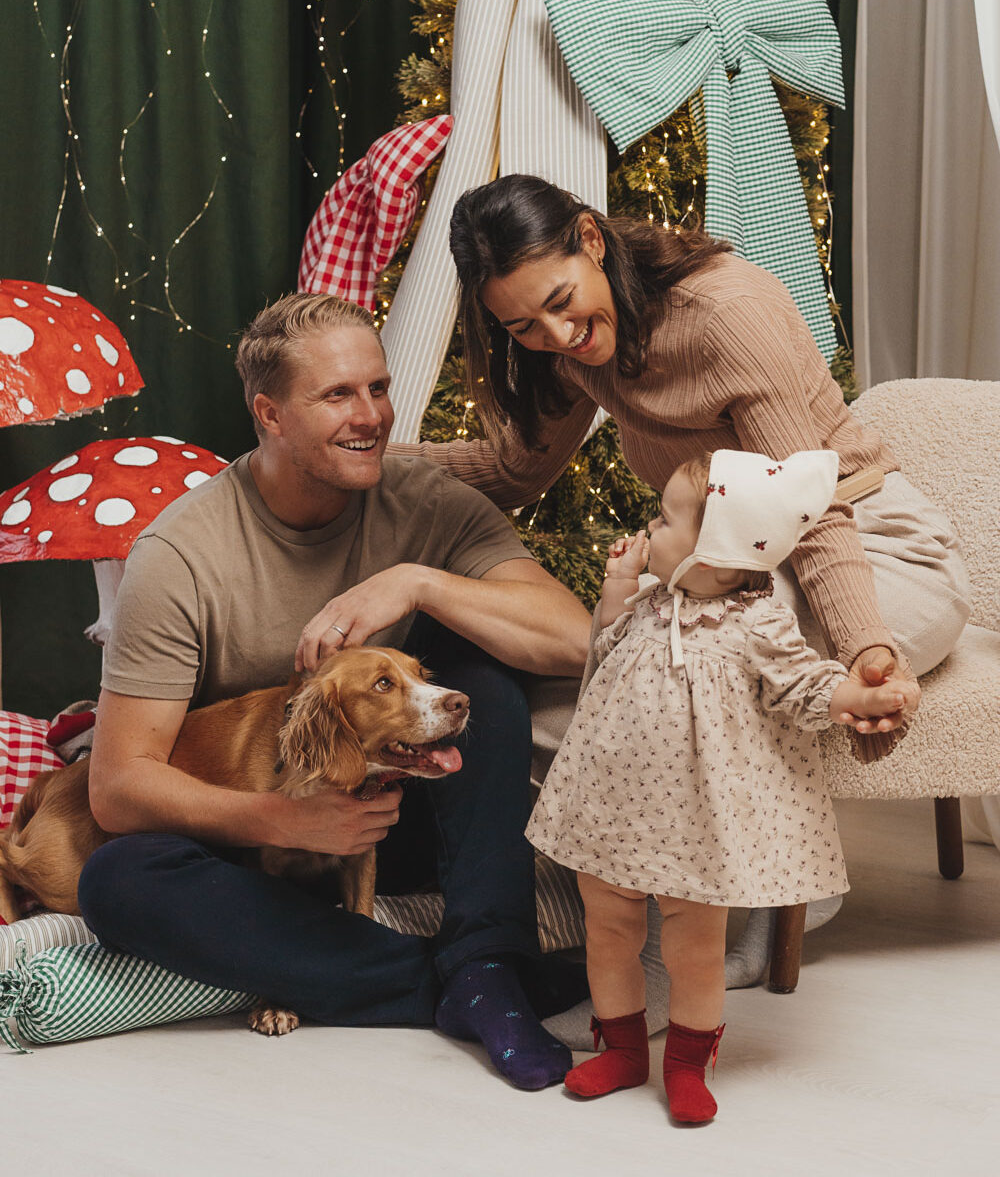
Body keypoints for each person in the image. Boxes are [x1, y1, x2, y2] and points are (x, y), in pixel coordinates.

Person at [79, 292, 594, 1091]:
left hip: (402, 815)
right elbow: (116, 786)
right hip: (255, 847)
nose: (372, 416)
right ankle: (466, 982)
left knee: (474, 667)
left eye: (379, 387)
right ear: (271, 415)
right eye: (338, 395)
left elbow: (576, 638)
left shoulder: (429, 505)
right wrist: (286, 818)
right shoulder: (179, 554)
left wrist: (417, 583)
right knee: (117, 883)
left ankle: (486, 951)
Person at [395, 173, 970, 762]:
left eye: (561, 301)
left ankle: (732, 853)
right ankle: (585, 852)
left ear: (590, 239)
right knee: (566, 707)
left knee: (667, 676)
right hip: (737, 572)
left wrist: (864, 648)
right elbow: (513, 470)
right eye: (523, 328)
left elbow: (806, 510)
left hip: (875, 550)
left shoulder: (725, 317)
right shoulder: (575, 349)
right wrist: (365, 456)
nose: (558, 335)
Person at [526, 449, 911, 1123]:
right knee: (609, 929)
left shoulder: (758, 621)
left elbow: (802, 683)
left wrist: (852, 693)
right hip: (613, 808)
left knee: (694, 949)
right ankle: (620, 1047)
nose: (651, 526)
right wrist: (616, 590)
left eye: (667, 519)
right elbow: (604, 651)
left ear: (716, 549)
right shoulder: (652, 600)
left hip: (696, 825)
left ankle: (686, 1064)